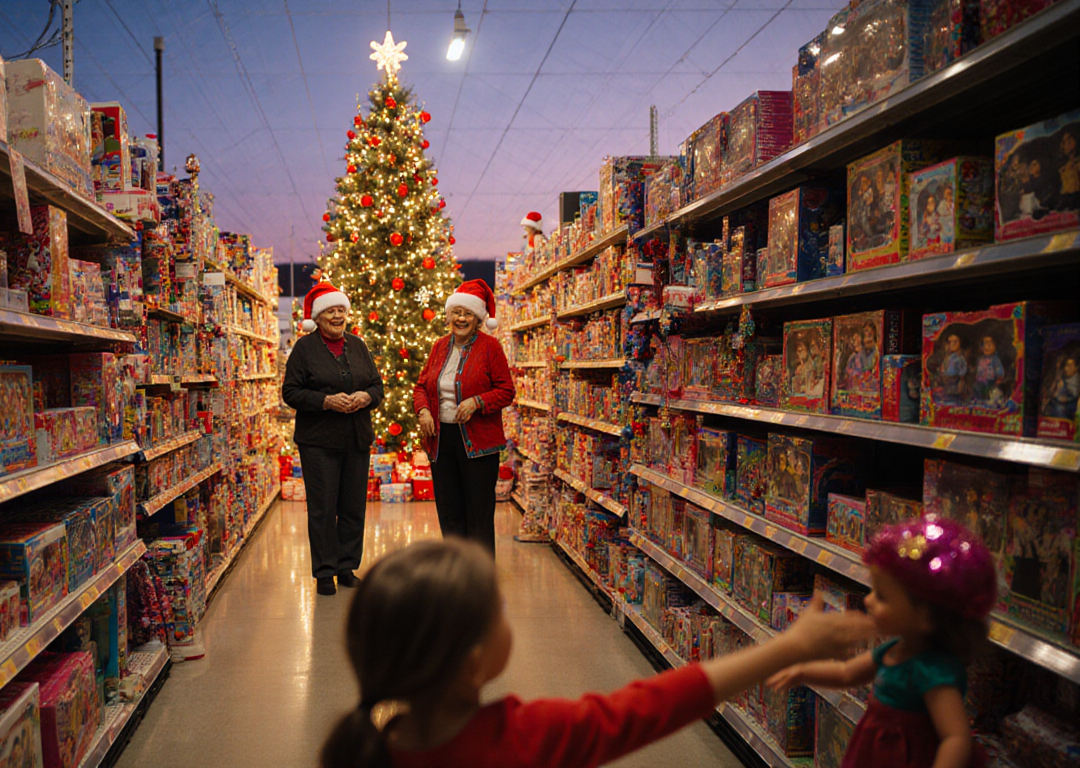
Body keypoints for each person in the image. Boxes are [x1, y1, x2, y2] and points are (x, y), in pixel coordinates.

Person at [319, 538, 876, 768]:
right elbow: (653, 705)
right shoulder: (524, 738)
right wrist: (786, 648)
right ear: (472, 663)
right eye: (500, 613)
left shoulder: (363, 750)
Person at [767, 517, 997, 768]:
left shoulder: (932, 671)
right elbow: (846, 673)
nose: (868, 601)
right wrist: (802, 671)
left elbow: (955, 737)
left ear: (926, 615)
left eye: (882, 596)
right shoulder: (894, 649)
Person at [282, 283, 384, 596]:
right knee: (324, 507)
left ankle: (346, 566)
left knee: (353, 505)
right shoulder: (304, 348)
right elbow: (291, 392)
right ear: (319, 317)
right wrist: (326, 401)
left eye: (341, 310)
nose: (337, 316)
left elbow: (378, 388)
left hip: (356, 438)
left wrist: (365, 397)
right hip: (319, 442)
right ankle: (325, 571)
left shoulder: (358, 345)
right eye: (331, 311)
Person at [413, 280, 515, 556]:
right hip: (441, 441)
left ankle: (479, 582)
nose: (461, 318)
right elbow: (421, 386)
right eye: (456, 312)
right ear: (448, 316)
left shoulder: (490, 347)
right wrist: (423, 410)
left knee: (478, 515)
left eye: (467, 313)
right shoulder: (439, 347)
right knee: (449, 513)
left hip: (478, 444)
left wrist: (477, 402)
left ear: (478, 317)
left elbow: (506, 391)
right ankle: (455, 576)